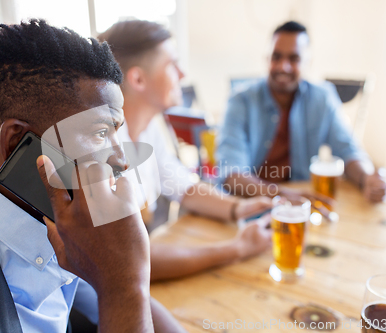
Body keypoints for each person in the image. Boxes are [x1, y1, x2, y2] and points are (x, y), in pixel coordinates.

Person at [0, 20, 185, 333]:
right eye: (99, 132)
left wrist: (125, 281)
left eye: (116, 133)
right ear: (17, 143)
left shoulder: (44, 210)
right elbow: (122, 297)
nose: (122, 159)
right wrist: (122, 287)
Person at [98, 20, 272, 282]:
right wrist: (237, 248)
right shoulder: (102, 151)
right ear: (138, 79)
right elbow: (131, 261)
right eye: (172, 65)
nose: (182, 74)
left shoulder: (148, 130)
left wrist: (239, 208)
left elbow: (183, 186)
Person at [216, 21, 386, 204]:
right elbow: (231, 174)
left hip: (300, 207)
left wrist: (367, 178)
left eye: (294, 58)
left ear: (308, 62)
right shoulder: (240, 100)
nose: (284, 66)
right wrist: (281, 195)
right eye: (276, 57)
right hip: (246, 206)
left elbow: (349, 150)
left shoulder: (322, 98)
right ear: (267, 59)